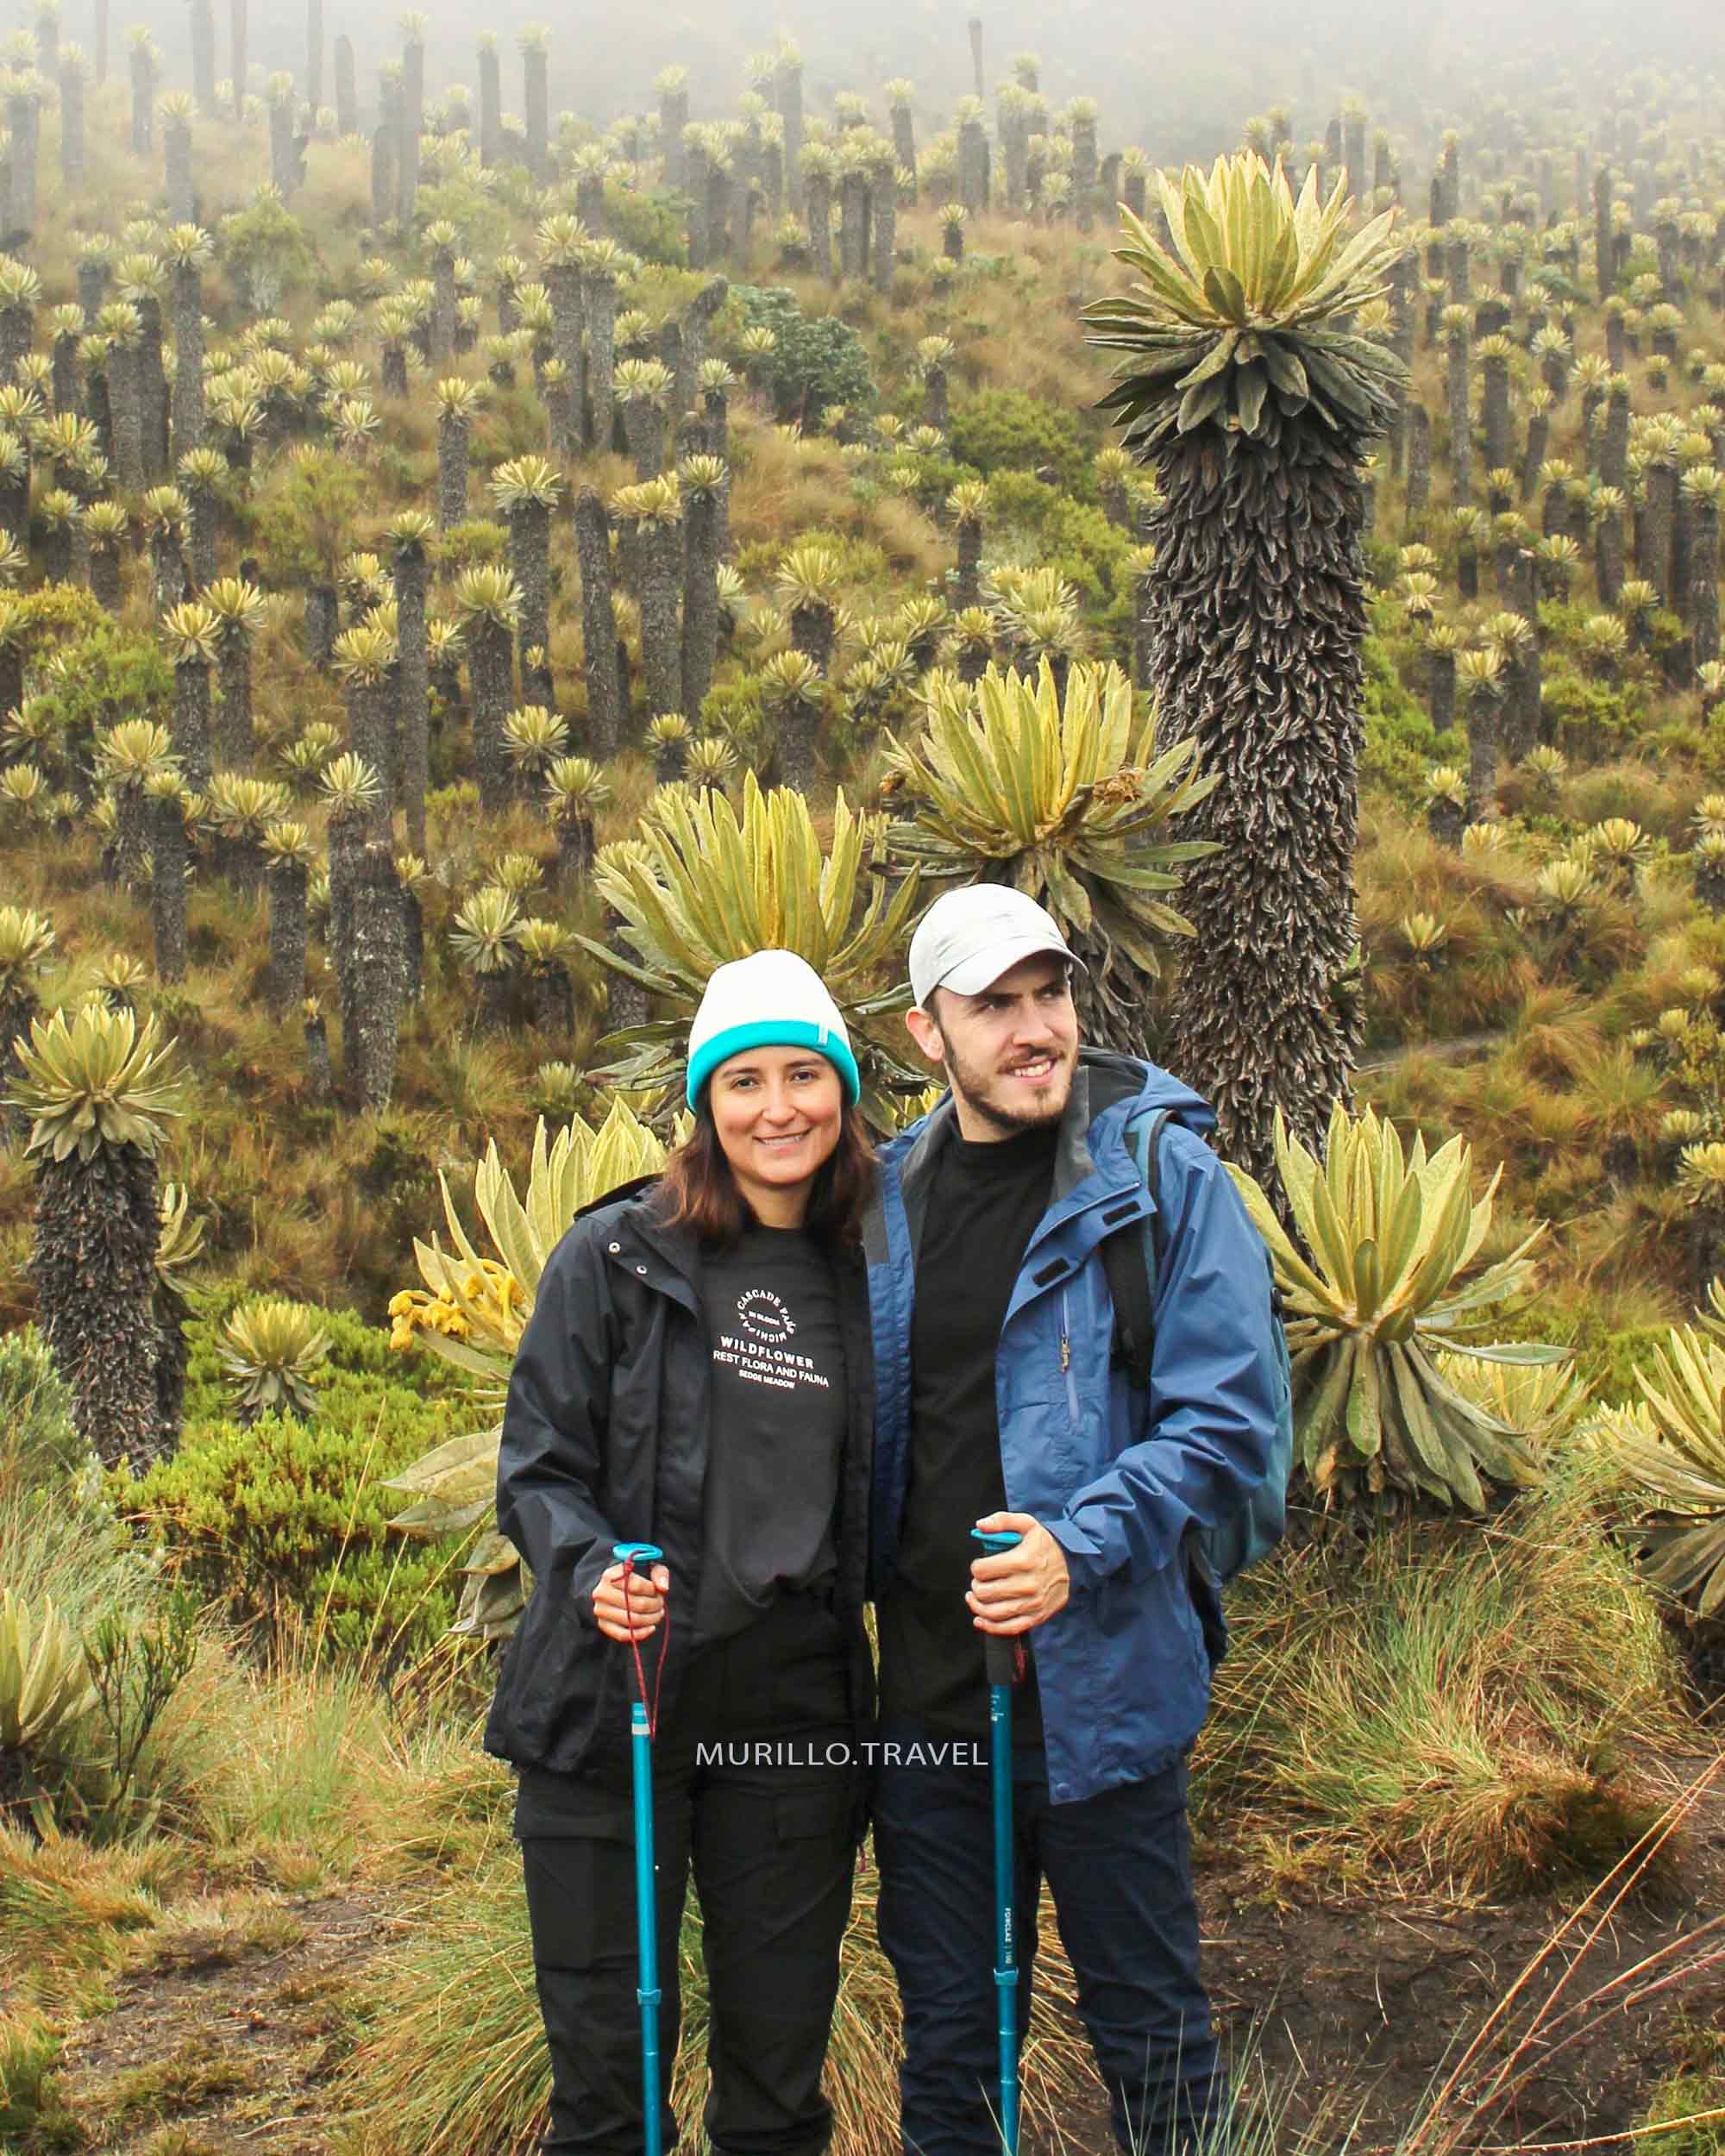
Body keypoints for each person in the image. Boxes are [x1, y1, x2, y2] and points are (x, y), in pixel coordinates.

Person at [864, 886, 1284, 2156]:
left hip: (1105, 1707)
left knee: (1152, 2043)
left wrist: (1077, 1544)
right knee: (949, 2056)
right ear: (927, 1034)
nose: (1034, 1028)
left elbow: (1229, 1423)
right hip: (933, 1722)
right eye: (995, 1005)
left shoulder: (1163, 1175)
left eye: (1049, 993)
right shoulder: (881, 1205)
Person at [486, 949, 877, 2156]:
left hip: (793, 1713)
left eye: (804, 1076)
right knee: (606, 2090)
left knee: (776, 2089)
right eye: (743, 1080)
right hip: (613, 1704)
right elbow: (536, 1463)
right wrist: (591, 1567)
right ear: (703, 1102)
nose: (777, 1108)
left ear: (844, 1092)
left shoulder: (877, 1269)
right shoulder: (610, 1258)